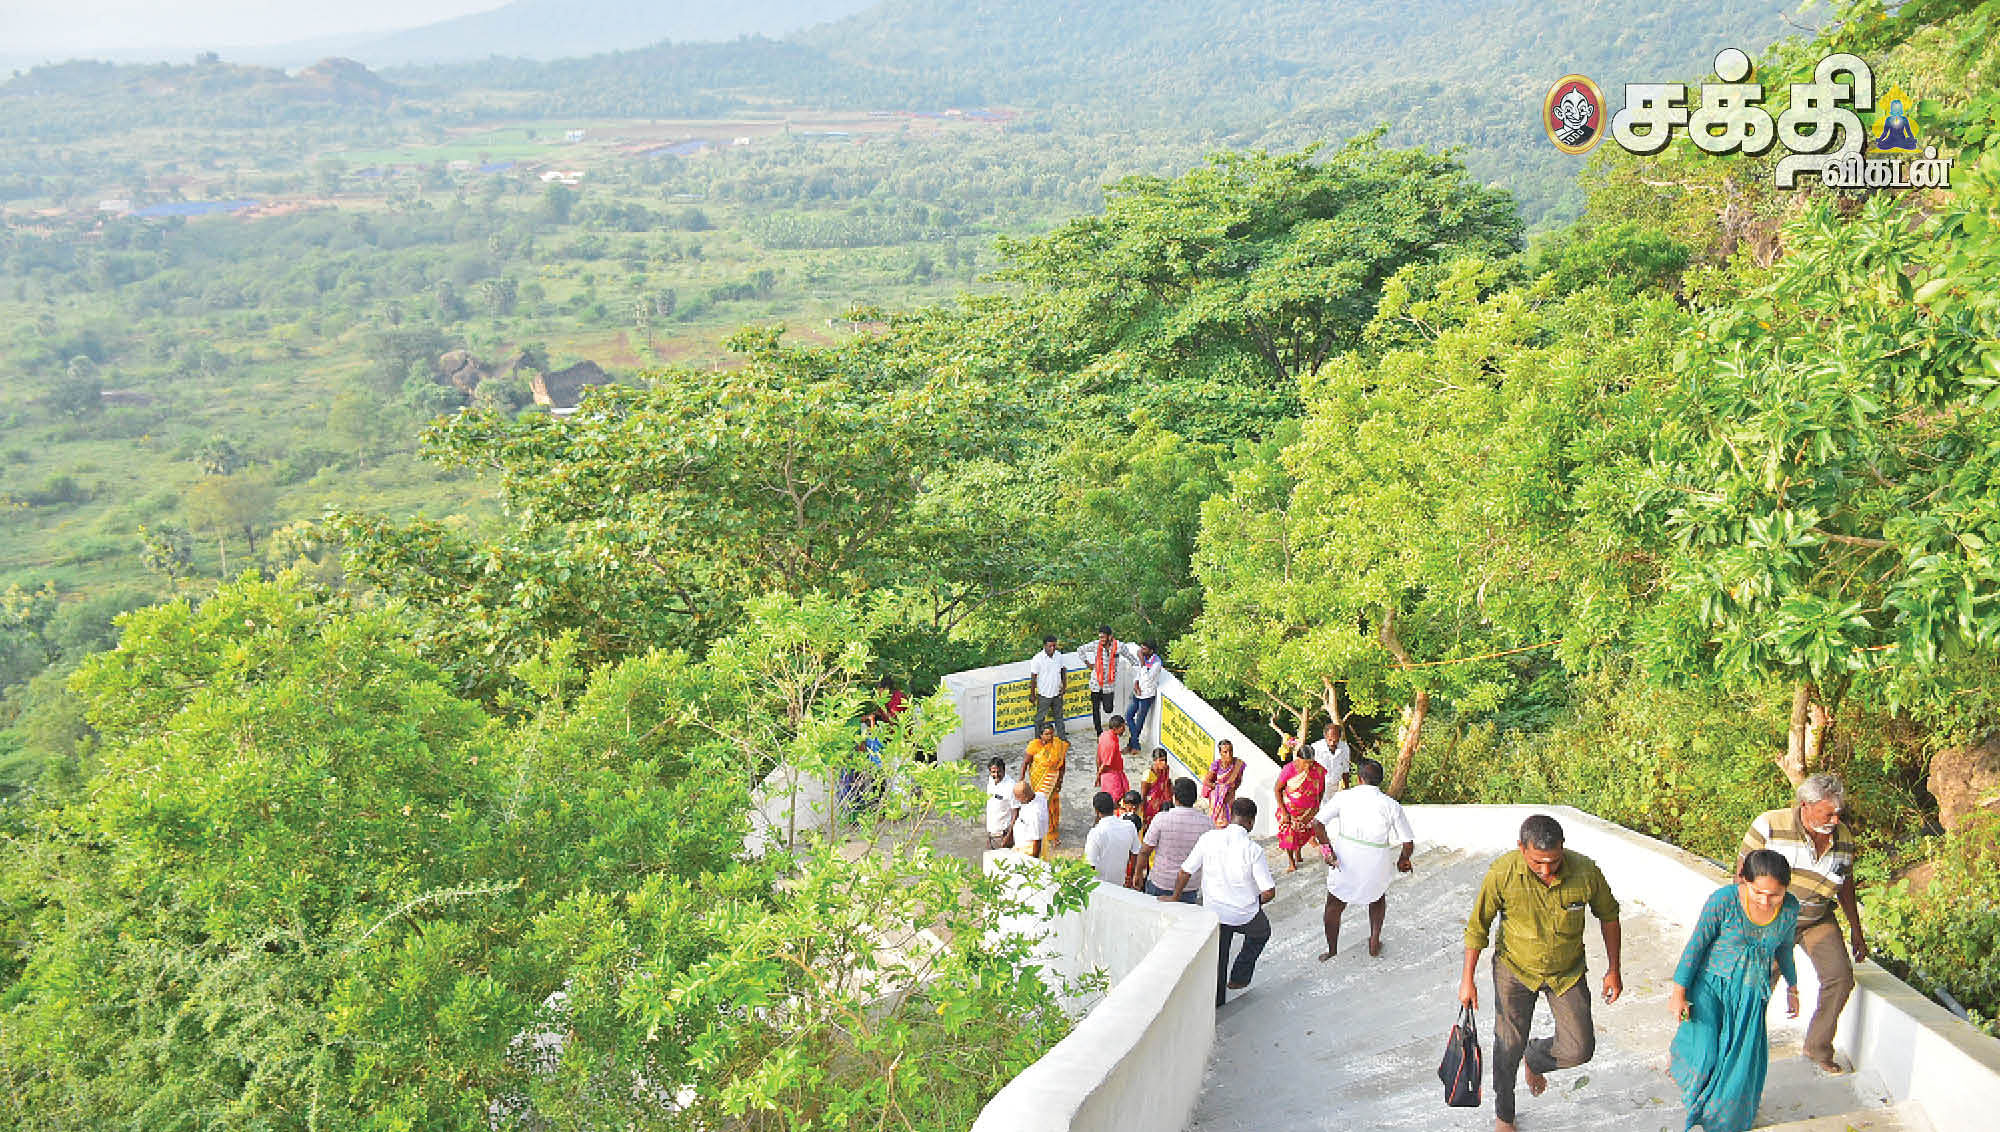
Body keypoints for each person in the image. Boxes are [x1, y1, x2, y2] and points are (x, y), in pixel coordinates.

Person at [1460, 813, 1623, 1132]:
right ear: (1521, 848)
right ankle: (1504, 1116)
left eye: (1553, 861)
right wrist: (1467, 979)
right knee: (1507, 1046)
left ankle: (1534, 1057)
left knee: (1580, 1049)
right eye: (1537, 862)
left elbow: (1609, 916)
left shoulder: (1586, 872)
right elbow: (1478, 927)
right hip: (1515, 970)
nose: (1546, 870)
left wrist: (1613, 969)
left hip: (1566, 972)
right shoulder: (1502, 873)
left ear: (1563, 847)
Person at [1738, 773, 1866, 1075]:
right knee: (1757, 984)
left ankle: (1817, 1047)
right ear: (1805, 805)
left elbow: (1845, 884)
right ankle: (1741, 1048)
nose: (1835, 820)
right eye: (1827, 813)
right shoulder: (1770, 825)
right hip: (1772, 918)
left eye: (1838, 813)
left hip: (1816, 918)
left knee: (1840, 977)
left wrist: (1856, 930)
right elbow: (1742, 878)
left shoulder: (1843, 838)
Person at [1669, 850, 1803, 1132]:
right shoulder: (1724, 901)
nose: (1765, 901)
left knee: (1738, 1063)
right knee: (1706, 1054)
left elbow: (1785, 948)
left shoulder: (1790, 908)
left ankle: (1722, 1118)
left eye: (1775, 895)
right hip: (1710, 987)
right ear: (1745, 881)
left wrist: (1792, 986)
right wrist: (1679, 992)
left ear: (1786, 890)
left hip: (1749, 995)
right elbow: (1696, 946)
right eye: (1758, 892)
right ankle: (1692, 1092)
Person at [1162, 796, 1277, 1006]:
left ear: (1231, 816)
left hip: (1214, 913)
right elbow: (1269, 892)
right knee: (1262, 932)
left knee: (1219, 958)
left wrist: (1175, 896)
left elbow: (1185, 871)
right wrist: (1253, 903)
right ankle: (1239, 977)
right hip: (1243, 914)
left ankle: (1217, 1003)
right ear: (1251, 822)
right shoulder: (1253, 850)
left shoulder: (1208, 838)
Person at [1309, 758, 1414, 959]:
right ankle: (1374, 942)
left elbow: (1317, 824)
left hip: (1345, 860)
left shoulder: (1343, 797)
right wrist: (1403, 860)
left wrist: (1327, 851)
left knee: (1334, 904)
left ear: (1359, 778)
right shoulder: (1391, 805)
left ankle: (1332, 950)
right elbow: (1408, 843)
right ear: (1380, 780)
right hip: (1376, 862)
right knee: (1377, 897)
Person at [1139, 777, 1208, 903]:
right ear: (1194, 799)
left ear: (1174, 797)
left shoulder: (1161, 819)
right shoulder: (1207, 823)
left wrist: (1138, 873)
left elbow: (1145, 851)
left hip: (1160, 881)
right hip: (1189, 886)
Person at [1273, 738, 1329, 871]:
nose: (1309, 766)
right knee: (1289, 835)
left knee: (1303, 834)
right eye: (1306, 763)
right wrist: (1284, 812)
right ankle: (1291, 862)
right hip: (1290, 809)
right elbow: (1277, 789)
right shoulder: (1289, 769)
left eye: (1311, 762)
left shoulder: (1318, 770)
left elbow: (1321, 789)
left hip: (1308, 810)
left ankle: (1298, 854)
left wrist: (1317, 806)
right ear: (1298, 759)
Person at [1019, 723, 1070, 848]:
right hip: (1038, 782)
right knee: (1040, 807)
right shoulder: (1034, 745)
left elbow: (1062, 765)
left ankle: (1052, 833)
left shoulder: (1058, 745)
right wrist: (1021, 780)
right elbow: (1025, 763)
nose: (1050, 736)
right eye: (1047, 734)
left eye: (1052, 733)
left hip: (1053, 781)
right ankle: (1039, 830)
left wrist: (1060, 780)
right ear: (1040, 735)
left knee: (1053, 807)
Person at [1085, 790, 1143, 887]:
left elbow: (1089, 866)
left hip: (1101, 887)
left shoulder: (1095, 833)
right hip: (1121, 884)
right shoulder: (1129, 826)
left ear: (1096, 811)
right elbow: (1135, 853)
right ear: (1113, 807)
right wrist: (1131, 875)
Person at [1076, 625, 1124, 735]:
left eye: (1103, 637)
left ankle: (1103, 697)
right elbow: (1080, 649)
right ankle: (1099, 732)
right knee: (1095, 708)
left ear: (1110, 637)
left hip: (1108, 684)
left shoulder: (1119, 646)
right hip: (1096, 683)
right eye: (1100, 637)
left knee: (1108, 709)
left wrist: (1139, 666)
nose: (1101, 639)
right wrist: (1088, 663)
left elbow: (1129, 656)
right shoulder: (1095, 644)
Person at [1028, 636, 1069, 741]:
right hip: (1044, 694)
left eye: (1054, 646)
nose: (1052, 648)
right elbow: (1033, 678)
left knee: (1059, 717)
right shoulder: (1037, 659)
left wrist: (1064, 686)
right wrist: (1032, 694)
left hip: (1057, 693)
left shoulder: (1058, 656)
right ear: (1044, 646)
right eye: (1050, 646)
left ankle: (1062, 739)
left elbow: (1063, 670)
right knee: (1039, 719)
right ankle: (1038, 740)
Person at [1200, 739, 1245, 829]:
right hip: (1216, 797)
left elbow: (1238, 781)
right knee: (1216, 823)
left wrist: (1231, 790)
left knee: (1228, 820)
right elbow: (1206, 781)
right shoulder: (1216, 764)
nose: (1229, 754)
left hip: (1229, 797)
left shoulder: (1238, 764)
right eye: (1225, 752)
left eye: (1231, 751)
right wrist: (1221, 788)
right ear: (1220, 753)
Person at [1126, 643, 1164, 752]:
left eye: (1144, 649)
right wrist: (1136, 683)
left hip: (1147, 695)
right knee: (1128, 716)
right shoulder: (1144, 658)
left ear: (1151, 651)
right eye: (1141, 648)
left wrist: (1142, 662)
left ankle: (1132, 745)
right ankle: (1135, 745)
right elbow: (1138, 674)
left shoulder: (1156, 663)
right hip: (1137, 693)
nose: (1141, 650)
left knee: (1139, 721)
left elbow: (1148, 678)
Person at [983, 756, 1018, 850]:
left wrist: (1009, 836)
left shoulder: (1011, 786)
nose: (996, 774)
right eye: (993, 772)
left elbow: (1016, 812)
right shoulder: (991, 780)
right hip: (991, 833)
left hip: (1004, 835)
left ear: (1004, 770)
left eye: (999, 771)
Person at [1011, 778, 1050, 859]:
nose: (1016, 799)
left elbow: (1037, 841)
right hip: (1022, 844)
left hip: (1028, 849)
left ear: (1025, 797)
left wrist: (1033, 861)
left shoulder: (1034, 814)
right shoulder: (1040, 796)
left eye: (1018, 797)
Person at [1309, 720, 1353, 789]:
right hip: (1318, 787)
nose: (1332, 743)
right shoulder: (1315, 747)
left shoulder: (1344, 747)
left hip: (1335, 786)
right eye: (1330, 740)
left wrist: (1347, 788)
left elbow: (1345, 769)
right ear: (1325, 736)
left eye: (1335, 741)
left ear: (1339, 737)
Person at [1096, 715, 1131, 800]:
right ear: (1115, 729)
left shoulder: (1103, 735)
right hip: (1112, 777)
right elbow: (1105, 765)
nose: (1124, 729)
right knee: (1116, 799)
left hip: (1109, 774)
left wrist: (1099, 774)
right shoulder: (1112, 744)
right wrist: (1098, 777)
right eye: (1122, 727)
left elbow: (1098, 756)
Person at [1139, 749, 1174, 824]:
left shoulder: (1165, 770)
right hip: (1151, 807)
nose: (1164, 763)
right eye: (1161, 760)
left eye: (1165, 760)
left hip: (1162, 803)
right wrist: (1143, 814)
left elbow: (1167, 786)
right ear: (1155, 760)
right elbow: (1143, 795)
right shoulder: (1148, 774)